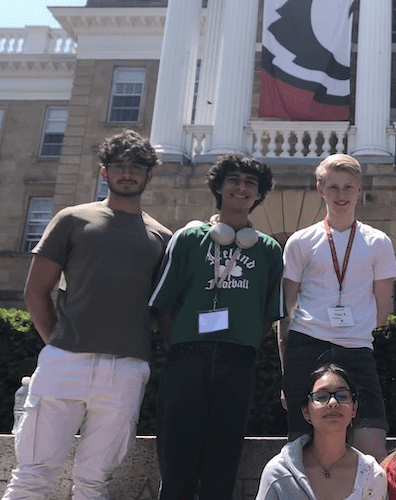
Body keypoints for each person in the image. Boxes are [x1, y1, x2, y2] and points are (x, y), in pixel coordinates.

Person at [2, 130, 172, 500]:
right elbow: (35, 291)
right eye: (119, 166)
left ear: (150, 174)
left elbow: (163, 311)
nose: (127, 173)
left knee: (94, 485)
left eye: (137, 167)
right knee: (31, 477)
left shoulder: (162, 237)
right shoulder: (72, 219)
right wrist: (58, 346)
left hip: (126, 371)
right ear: (104, 171)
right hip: (64, 365)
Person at [148, 154, 285, 499]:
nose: (241, 188)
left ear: (258, 195)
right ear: (219, 187)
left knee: (222, 465)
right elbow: (163, 304)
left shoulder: (269, 250)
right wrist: (178, 345)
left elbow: (271, 311)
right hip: (186, 360)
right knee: (176, 461)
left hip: (237, 362)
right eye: (234, 181)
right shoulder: (189, 238)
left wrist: (246, 341)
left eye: (250, 184)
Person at [279, 153, 396, 460]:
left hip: (357, 348)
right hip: (306, 346)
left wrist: (354, 326)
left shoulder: (379, 242)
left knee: (372, 452)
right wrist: (285, 375)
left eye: (348, 187)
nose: (341, 194)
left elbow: (383, 310)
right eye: (333, 187)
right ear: (320, 190)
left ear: (360, 189)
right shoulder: (300, 242)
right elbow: (287, 309)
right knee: (303, 451)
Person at [255, 363, 387, 500]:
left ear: (354, 408)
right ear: (306, 411)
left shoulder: (371, 475)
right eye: (321, 396)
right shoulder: (278, 473)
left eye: (342, 395)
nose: (333, 402)